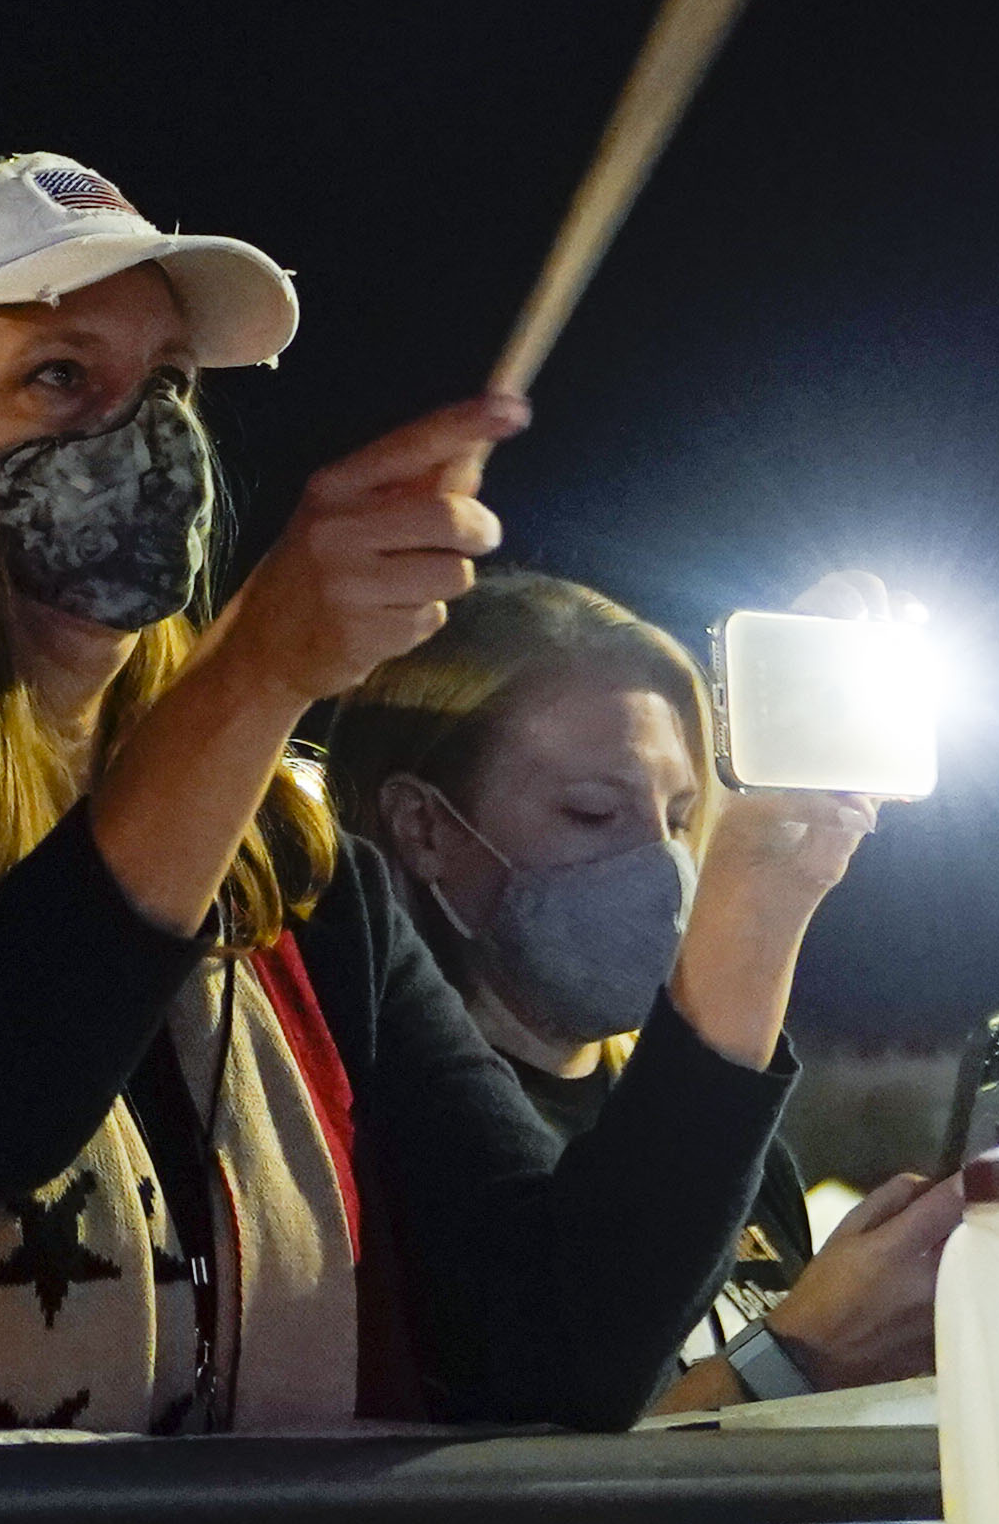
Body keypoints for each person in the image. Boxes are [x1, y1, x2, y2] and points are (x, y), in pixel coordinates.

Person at [0, 151, 806, 1440]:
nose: (144, 436)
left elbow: (556, 1339)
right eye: (61, 376)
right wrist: (256, 675)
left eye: (168, 384)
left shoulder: (290, 866)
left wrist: (760, 891)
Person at [335, 570, 955, 1410]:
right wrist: (802, 1357)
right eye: (594, 812)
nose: (663, 864)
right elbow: (536, 1474)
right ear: (424, 828)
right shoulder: (378, 1142)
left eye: (679, 815)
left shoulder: (725, 1133)